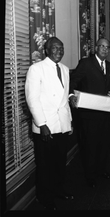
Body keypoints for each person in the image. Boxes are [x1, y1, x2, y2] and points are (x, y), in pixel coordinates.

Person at [25, 37, 74, 210]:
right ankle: (44, 197)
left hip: (61, 124)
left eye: (61, 48)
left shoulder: (65, 69)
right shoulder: (36, 69)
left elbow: (64, 100)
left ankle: (58, 190)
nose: (59, 51)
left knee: (60, 162)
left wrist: (69, 122)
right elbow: (32, 99)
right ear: (46, 50)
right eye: (55, 48)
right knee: (45, 165)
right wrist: (42, 124)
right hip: (45, 126)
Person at [69, 38, 110, 188]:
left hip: (106, 114)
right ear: (96, 48)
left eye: (108, 47)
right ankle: (90, 176)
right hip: (89, 115)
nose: (105, 50)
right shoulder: (86, 63)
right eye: (102, 46)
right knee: (90, 146)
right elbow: (73, 81)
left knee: (104, 145)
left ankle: (102, 171)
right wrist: (71, 96)